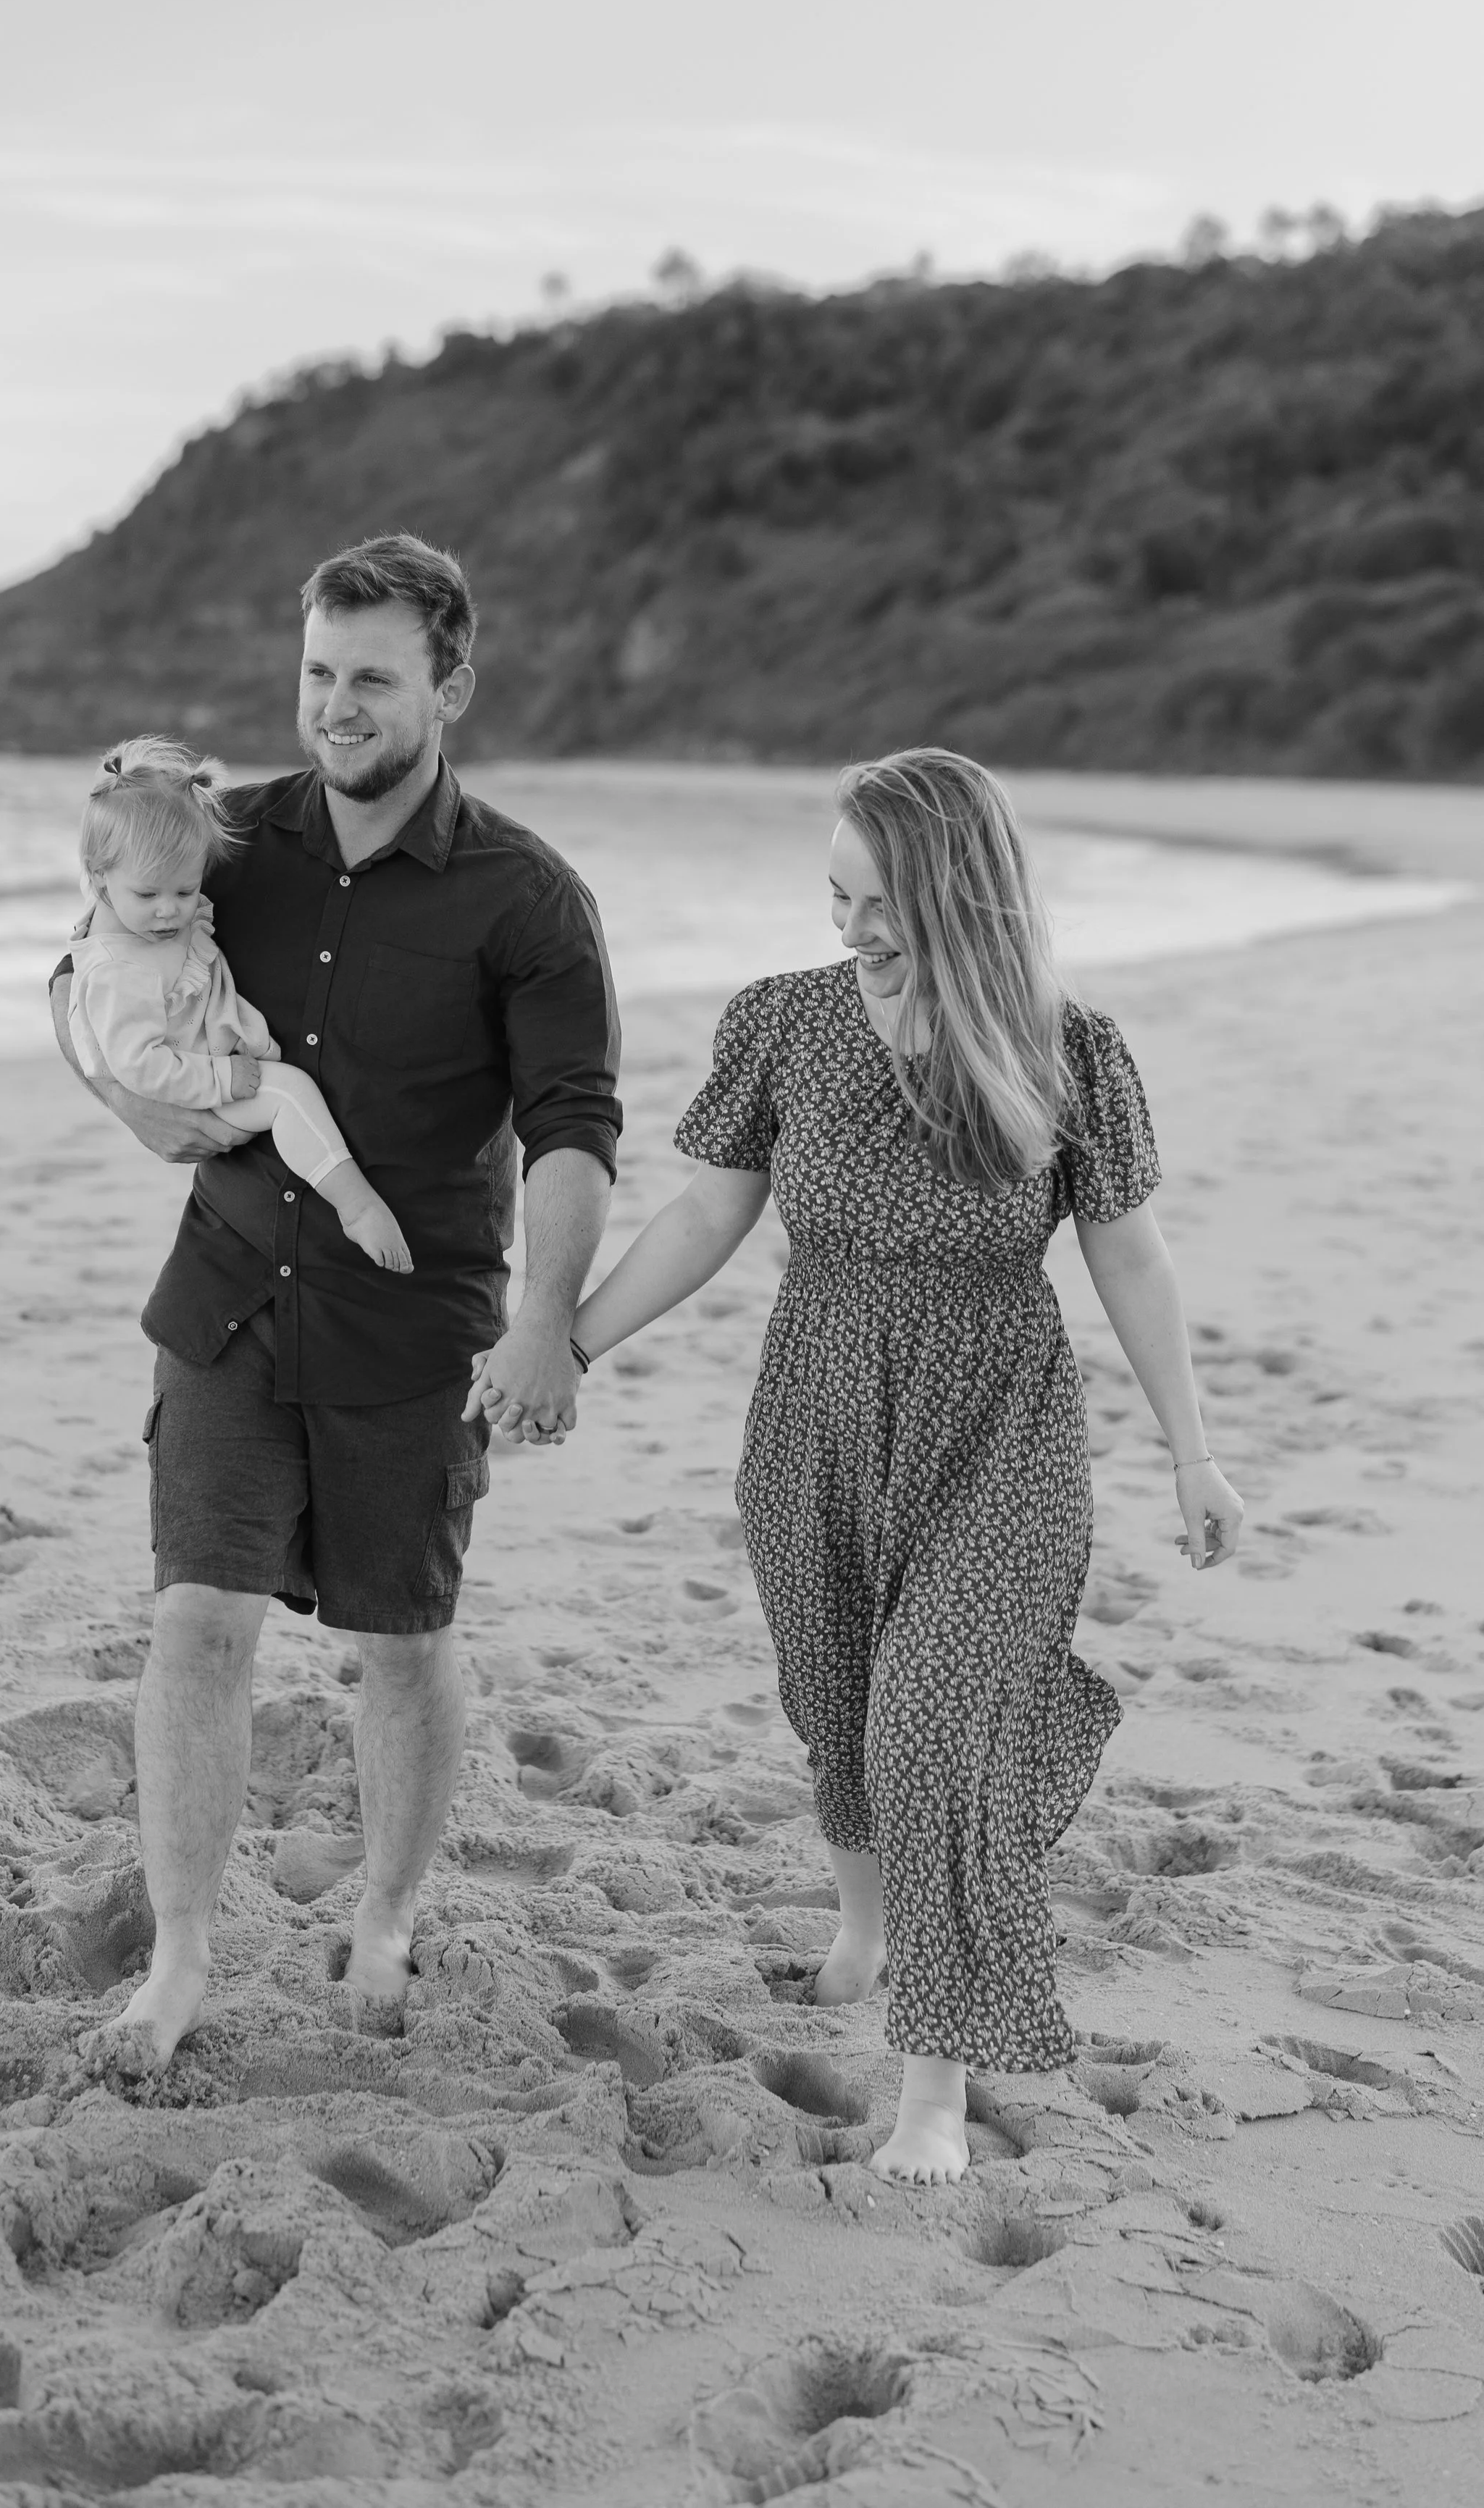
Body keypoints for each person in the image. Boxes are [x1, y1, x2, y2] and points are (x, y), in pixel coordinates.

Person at [513, 748, 1243, 2185]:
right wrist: (566, 1347)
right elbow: (702, 1219)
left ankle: (929, 2099)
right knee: (838, 1705)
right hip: (816, 1418)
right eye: (832, 895)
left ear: (958, 889)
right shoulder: (782, 1026)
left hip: (1000, 1431)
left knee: (931, 1739)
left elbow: (1129, 1259)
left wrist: (1190, 1453)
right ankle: (862, 1923)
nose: (848, 926)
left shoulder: (1063, 1050)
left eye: (876, 897)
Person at [49, 532, 621, 2065]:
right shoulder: (229, 837)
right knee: (196, 1620)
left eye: (369, 677)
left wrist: (545, 1321)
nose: (333, 706)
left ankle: (381, 1915)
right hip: (229, 1297)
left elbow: (574, 1128)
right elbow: (85, 951)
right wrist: (121, 1098)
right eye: (316, 674)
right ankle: (175, 1966)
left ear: (449, 686)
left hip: (412, 1325)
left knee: (403, 1644)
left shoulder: (527, 900)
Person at [66, 735, 410, 1272]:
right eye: (149, 896)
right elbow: (138, 1064)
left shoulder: (140, 914)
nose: (168, 912)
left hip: (201, 1052)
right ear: (99, 874)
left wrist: (188, 929)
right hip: (191, 1078)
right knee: (290, 1095)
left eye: (185, 891)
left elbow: (173, 933)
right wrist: (225, 1080)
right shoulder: (120, 971)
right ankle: (356, 1204)